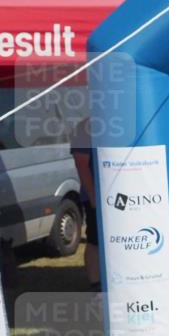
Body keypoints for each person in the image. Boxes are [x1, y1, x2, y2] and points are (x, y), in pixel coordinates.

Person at [69, 118, 100, 291]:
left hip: (121, 196)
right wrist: (93, 196)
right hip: (95, 197)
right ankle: (96, 285)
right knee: (95, 240)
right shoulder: (85, 127)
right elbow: (81, 164)